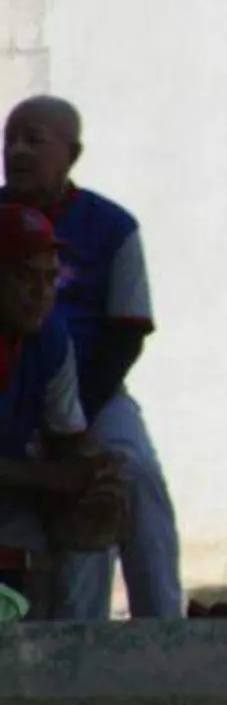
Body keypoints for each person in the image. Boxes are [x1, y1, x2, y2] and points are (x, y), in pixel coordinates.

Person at [0, 95, 181, 620]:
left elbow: (126, 335)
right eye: (11, 138)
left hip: (88, 387)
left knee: (128, 476)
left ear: (72, 154)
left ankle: (163, 625)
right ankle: (71, 631)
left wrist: (74, 432)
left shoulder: (114, 228)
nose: (18, 150)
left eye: (35, 139)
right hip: (17, 391)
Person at [0, 203, 124, 613]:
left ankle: (81, 659)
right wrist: (53, 479)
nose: (41, 293)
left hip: (11, 499)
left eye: (51, 278)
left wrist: (94, 475)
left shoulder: (50, 340)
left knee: (90, 533)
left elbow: (68, 437)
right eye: (24, 275)